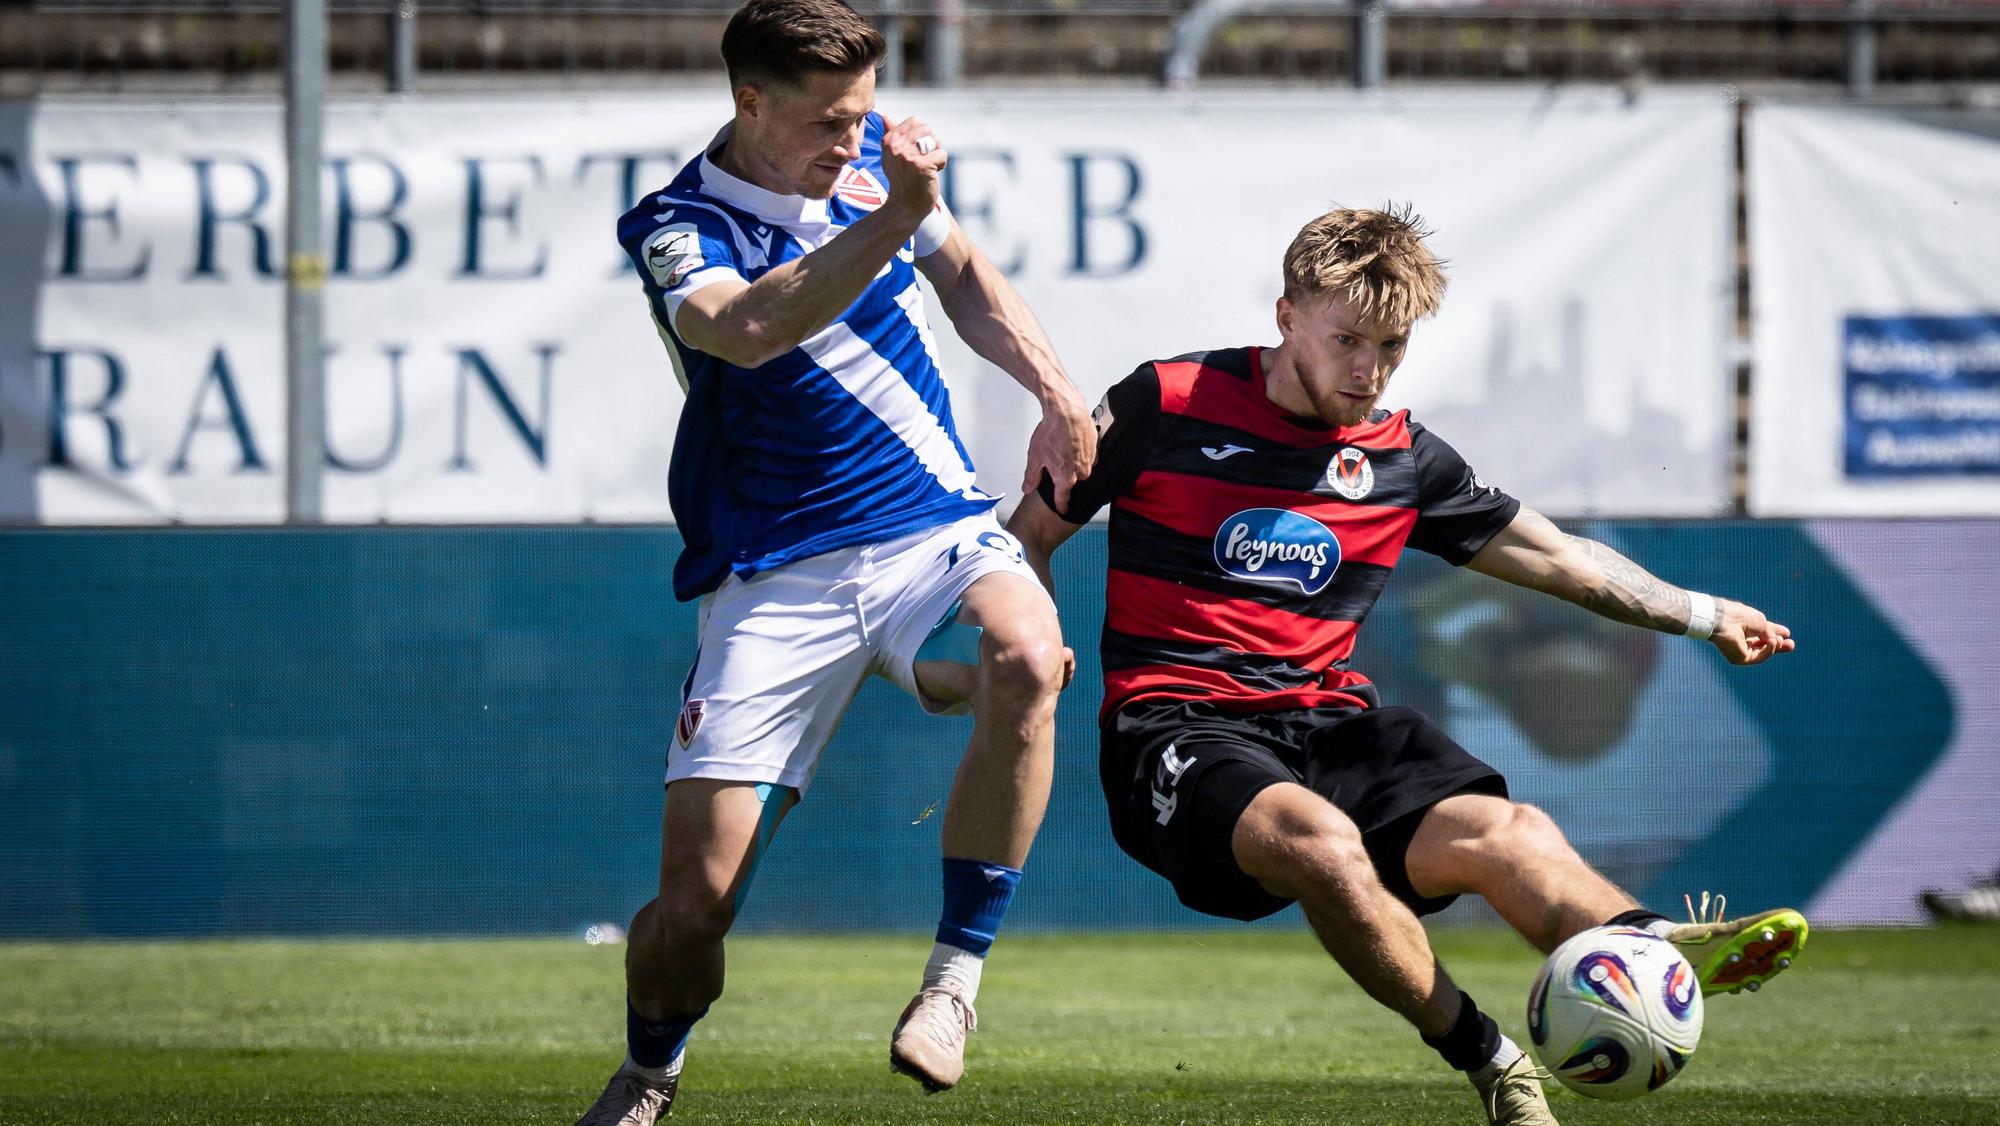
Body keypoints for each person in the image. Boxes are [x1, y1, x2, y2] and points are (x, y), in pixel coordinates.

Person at [1006, 205, 1808, 1125]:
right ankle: (1492, 1058)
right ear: (1286, 315)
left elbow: (1564, 560)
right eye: (1347, 340)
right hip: (1177, 727)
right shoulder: (1164, 404)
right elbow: (1026, 538)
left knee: (1508, 832)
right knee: (1318, 841)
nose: (1367, 371)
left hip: (1327, 724)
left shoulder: (1401, 460)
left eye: (1390, 348)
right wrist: (1028, 639)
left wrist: (1704, 614)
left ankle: (1654, 947)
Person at [577, 2, 1096, 1121]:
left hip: (927, 525)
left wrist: (1052, 389)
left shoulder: (870, 172)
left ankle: (952, 982)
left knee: (1028, 644)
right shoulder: (678, 222)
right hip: (776, 572)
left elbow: (962, 279)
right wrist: (895, 215)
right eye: (825, 120)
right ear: (748, 102)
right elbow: (747, 330)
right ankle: (651, 1070)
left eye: (862, 114)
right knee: (690, 912)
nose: (849, 139)